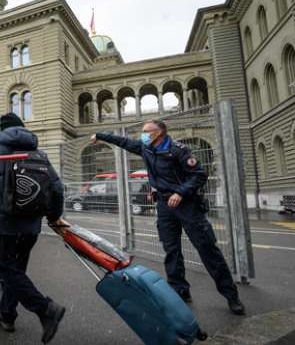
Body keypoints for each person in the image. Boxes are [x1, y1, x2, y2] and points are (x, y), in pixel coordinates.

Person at [91, 119, 246, 315]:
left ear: (158, 134)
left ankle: (232, 296)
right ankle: (180, 291)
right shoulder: (146, 149)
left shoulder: (178, 151)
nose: (143, 135)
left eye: (146, 131)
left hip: (187, 205)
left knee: (207, 250)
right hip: (164, 206)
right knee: (171, 250)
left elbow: (199, 175)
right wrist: (100, 135)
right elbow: (122, 141)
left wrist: (180, 192)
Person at [0, 113, 68, 344]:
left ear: (2, 130)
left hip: (6, 223)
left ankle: (45, 309)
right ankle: (7, 314)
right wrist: (53, 217)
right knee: (17, 270)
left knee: (5, 267)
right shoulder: (39, 153)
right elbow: (58, 189)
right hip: (32, 224)